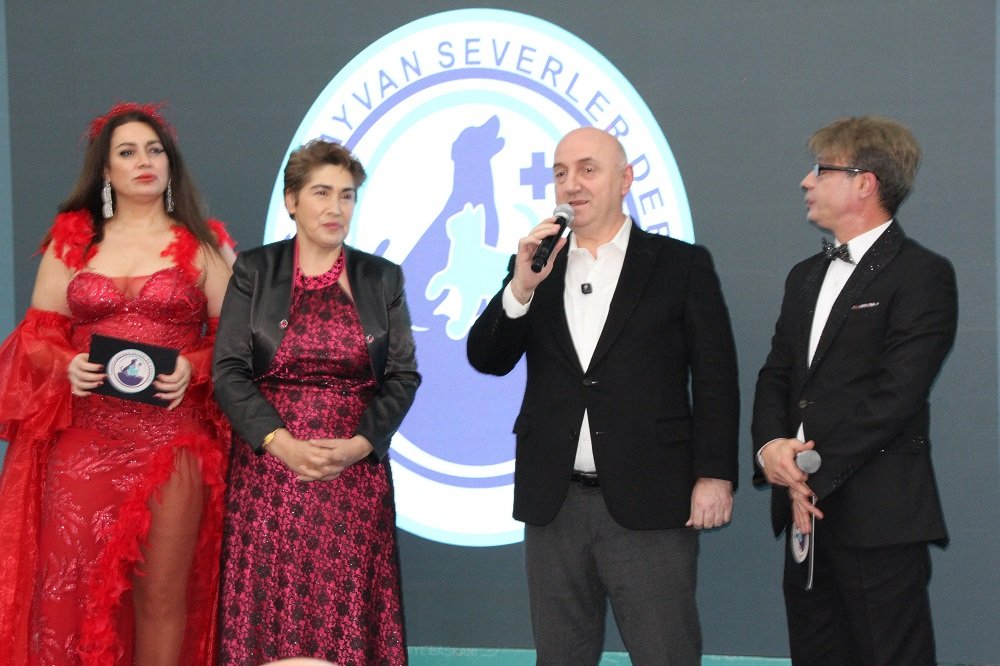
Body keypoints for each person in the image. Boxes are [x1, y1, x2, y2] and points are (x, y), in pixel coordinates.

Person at [466, 127, 740, 665]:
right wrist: (520, 288)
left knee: (666, 653)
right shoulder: (536, 266)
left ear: (625, 179)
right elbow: (487, 357)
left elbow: (716, 378)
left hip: (651, 500)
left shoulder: (679, 264)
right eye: (561, 173)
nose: (572, 184)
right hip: (555, 504)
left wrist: (714, 474)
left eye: (588, 169)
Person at [0, 102, 236, 665]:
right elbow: (36, 339)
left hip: (172, 442)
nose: (144, 161)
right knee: (70, 591)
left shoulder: (204, 245)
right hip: (84, 444)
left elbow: (237, 343)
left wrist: (194, 365)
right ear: (106, 171)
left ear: (170, 164)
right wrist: (66, 364)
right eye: (127, 153)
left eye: (154, 150)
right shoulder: (72, 245)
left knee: (161, 596)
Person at [752, 116, 958, 665]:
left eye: (821, 170)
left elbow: (897, 395)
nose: (806, 181)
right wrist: (770, 449)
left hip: (878, 517)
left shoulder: (922, 274)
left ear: (864, 183)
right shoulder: (804, 276)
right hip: (804, 516)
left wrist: (808, 472)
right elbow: (776, 375)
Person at [213, 140, 419, 664]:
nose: (336, 208)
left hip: (353, 480)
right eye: (322, 193)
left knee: (344, 624)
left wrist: (358, 446)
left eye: (347, 195)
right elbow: (229, 373)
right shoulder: (254, 270)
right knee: (270, 622)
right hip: (269, 478)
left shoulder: (382, 278)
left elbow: (402, 376)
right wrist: (281, 444)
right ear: (291, 201)